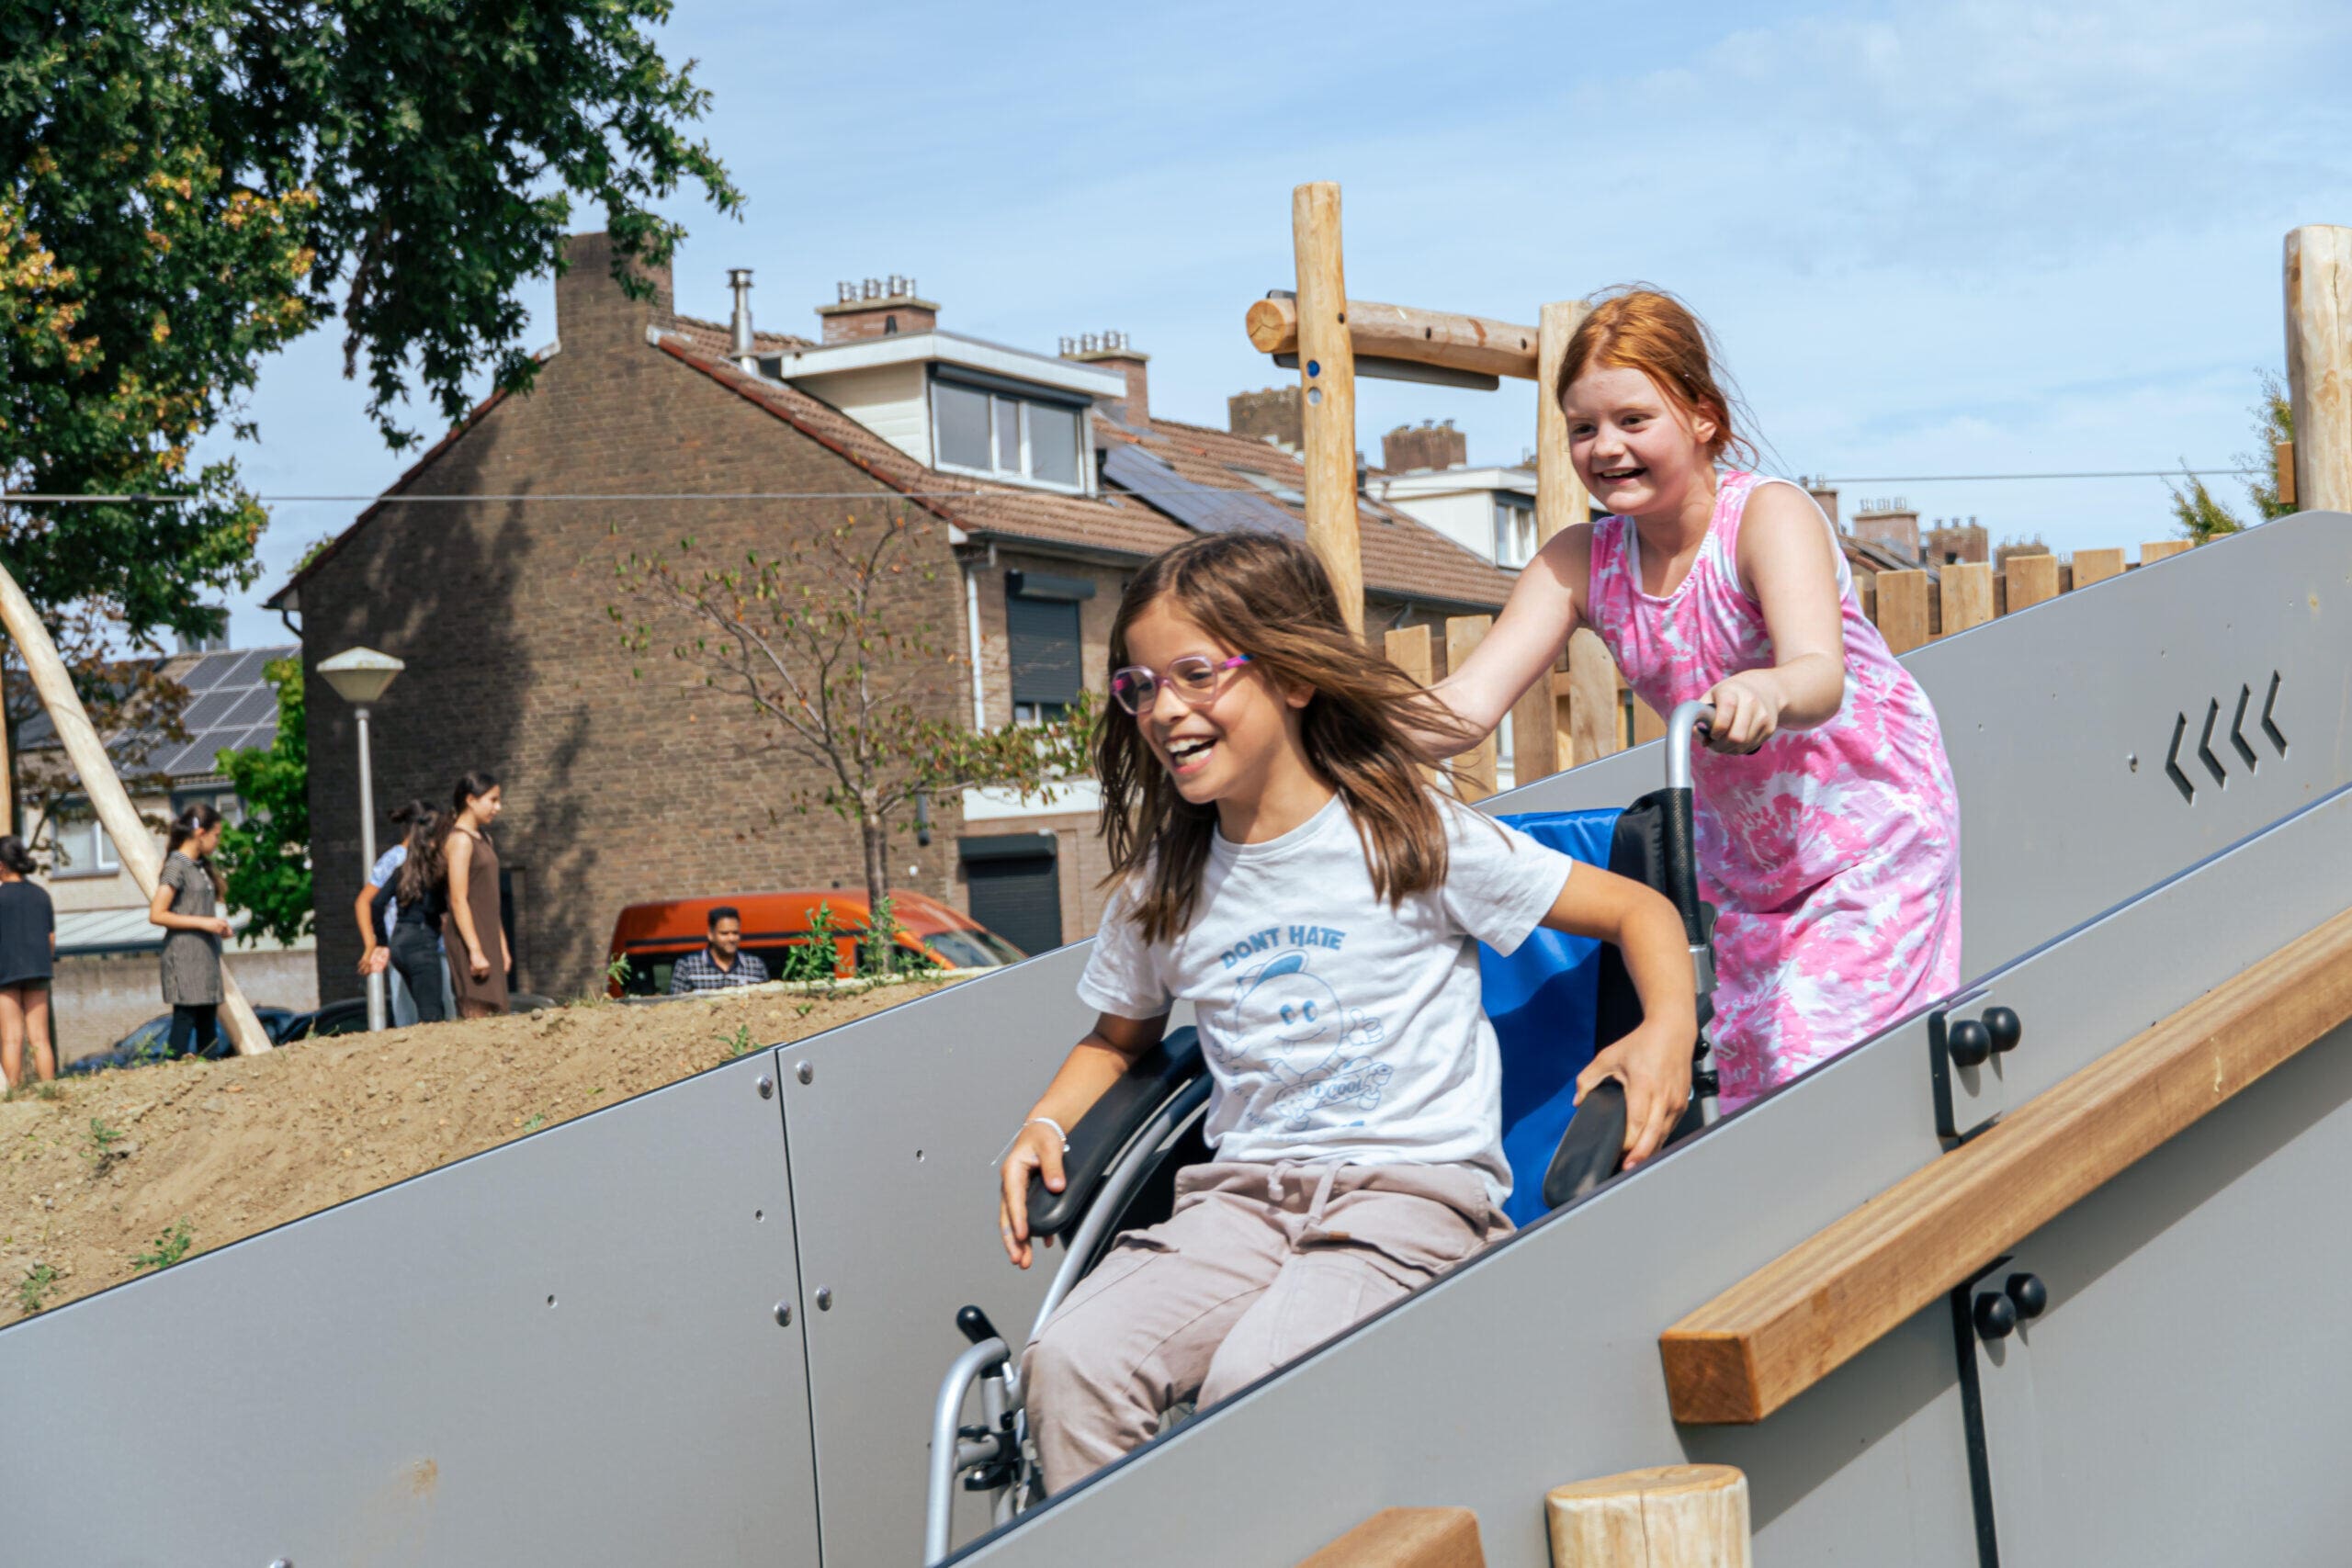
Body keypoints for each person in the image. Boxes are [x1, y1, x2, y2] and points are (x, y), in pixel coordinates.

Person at [1001, 532, 1696, 1494]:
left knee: (1256, 1385)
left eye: (1195, 674)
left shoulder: (1408, 836)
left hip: (1407, 1201)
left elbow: (1638, 910)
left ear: (1292, 677)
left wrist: (1663, 1032)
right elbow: (1118, 1039)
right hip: (1236, 1205)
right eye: (1140, 687)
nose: (1164, 710)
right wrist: (1045, 1122)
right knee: (1071, 1363)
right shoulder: (1164, 886)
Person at [1426, 287, 1962, 1111]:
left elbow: (1819, 673)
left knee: (1814, 1059)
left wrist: (1766, 687)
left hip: (1865, 830)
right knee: (1746, 1075)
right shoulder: (1583, 560)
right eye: (1583, 427)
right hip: (1744, 856)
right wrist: (1324, 731)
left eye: (1633, 420)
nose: (1606, 447)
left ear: (1703, 418)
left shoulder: (1765, 517)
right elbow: (1465, 706)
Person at [149, 803, 233, 1059]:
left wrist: (216, 926)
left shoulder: (199, 867)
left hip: (205, 956)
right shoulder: (176, 865)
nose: (218, 841)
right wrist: (204, 923)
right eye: (216, 835)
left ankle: (211, 1078)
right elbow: (157, 913)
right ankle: (172, 1076)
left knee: (208, 1021)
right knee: (185, 1019)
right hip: (185, 957)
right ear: (200, 833)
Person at [358, 801, 451, 1025]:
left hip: (401, 943)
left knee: (415, 1016)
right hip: (423, 944)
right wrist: (373, 945)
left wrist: (378, 943)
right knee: (434, 1014)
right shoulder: (426, 861)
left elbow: (371, 903)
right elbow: (365, 901)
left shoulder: (398, 861)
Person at [442, 771, 508, 1020]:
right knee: (478, 1016)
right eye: (492, 800)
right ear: (471, 800)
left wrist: (501, 943)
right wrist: (475, 950)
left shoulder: (485, 839)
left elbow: (491, 899)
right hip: (470, 940)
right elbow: (458, 899)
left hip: (487, 936)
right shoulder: (460, 841)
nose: (498, 807)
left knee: (498, 1014)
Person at [0, 836, 55, 1088]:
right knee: (40, 1037)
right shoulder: (41, 895)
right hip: (38, 968)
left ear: (1, 866)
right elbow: (50, 938)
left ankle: (13, 1093)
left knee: (12, 1038)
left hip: (5, 971)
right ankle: (49, 1088)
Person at [669, 907, 771, 993]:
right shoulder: (687, 966)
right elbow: (676, 1007)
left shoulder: (756, 966)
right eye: (724, 933)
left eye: (735, 933)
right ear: (710, 935)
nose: (731, 939)